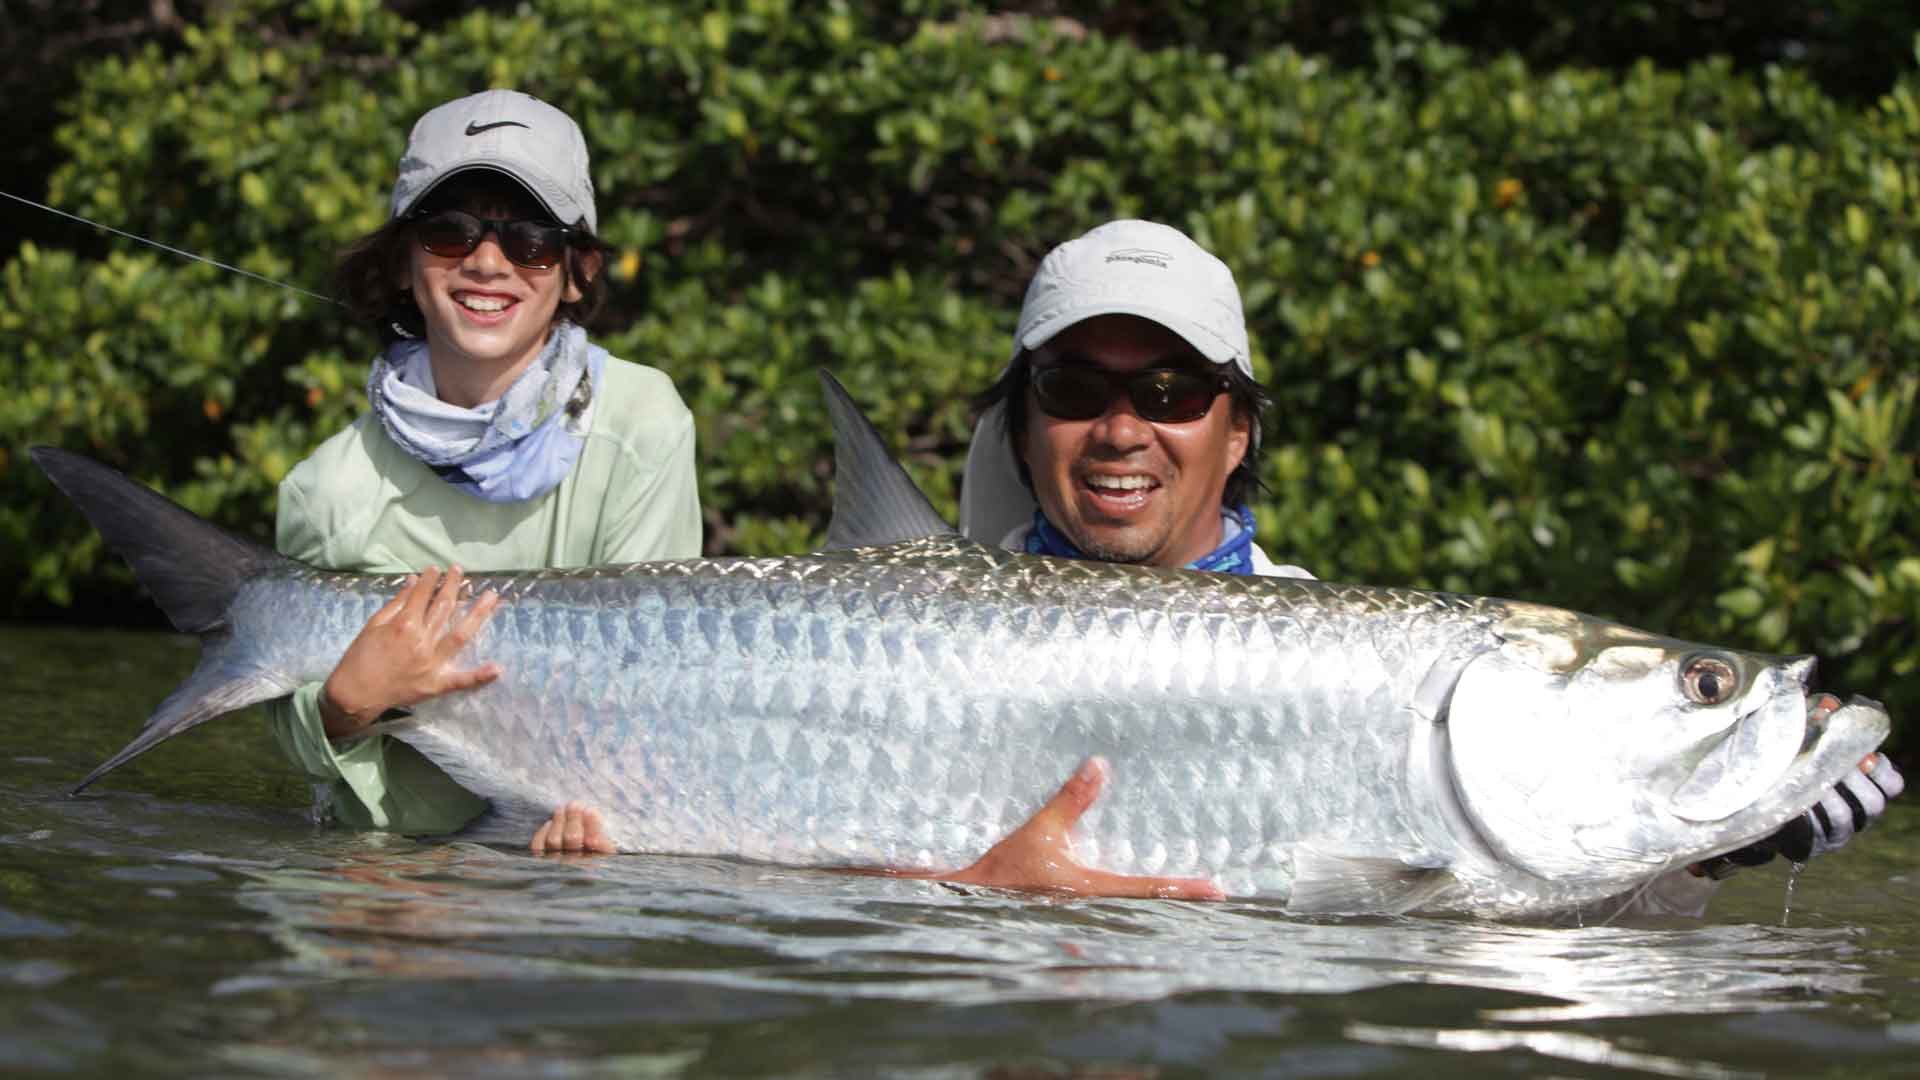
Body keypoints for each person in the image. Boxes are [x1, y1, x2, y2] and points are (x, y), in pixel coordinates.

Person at [944, 218, 1904, 910]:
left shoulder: (1356, 655)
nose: (1121, 431)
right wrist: (960, 900)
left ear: (1236, 435)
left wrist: (1712, 850)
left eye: (1171, 391)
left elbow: (1528, 888)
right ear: (1022, 429)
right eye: (1072, 388)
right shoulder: (927, 631)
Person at [267, 89, 701, 853]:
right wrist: (343, 707)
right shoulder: (328, 488)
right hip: (386, 871)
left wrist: (596, 808)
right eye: (449, 231)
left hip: (575, 854)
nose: (488, 262)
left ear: (576, 272)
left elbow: (656, 687)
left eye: (530, 239)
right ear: (403, 261)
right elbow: (300, 741)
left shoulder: (644, 421)